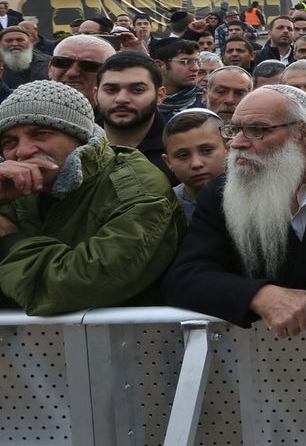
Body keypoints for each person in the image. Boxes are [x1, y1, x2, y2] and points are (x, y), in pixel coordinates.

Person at [0, 80, 182, 315]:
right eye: (9, 142)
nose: (22, 151)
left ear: (80, 137)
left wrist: (9, 240)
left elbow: (67, 288)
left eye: (41, 134)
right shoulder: (10, 184)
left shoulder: (137, 189)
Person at [163, 86, 306, 336]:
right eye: (234, 129)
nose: (237, 143)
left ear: (302, 133)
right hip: (261, 355)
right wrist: (259, 294)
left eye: (257, 130)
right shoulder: (219, 192)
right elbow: (186, 278)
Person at [95, 51, 175, 183]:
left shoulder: (177, 150)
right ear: (95, 94)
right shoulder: (75, 146)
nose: (121, 99)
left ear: (160, 95)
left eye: (137, 90)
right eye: (111, 90)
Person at [161, 108, 228, 220]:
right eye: (183, 155)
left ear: (228, 149)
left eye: (207, 150)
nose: (196, 164)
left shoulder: (253, 197)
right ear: (168, 162)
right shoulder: (163, 209)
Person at [47, 34, 116, 107]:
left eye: (88, 65)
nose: (71, 73)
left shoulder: (119, 115)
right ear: (50, 68)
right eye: (62, 62)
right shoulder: (34, 110)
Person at [149, 37, 204, 118]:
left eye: (196, 61)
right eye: (185, 62)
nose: (196, 68)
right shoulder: (143, 103)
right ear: (159, 65)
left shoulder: (205, 100)